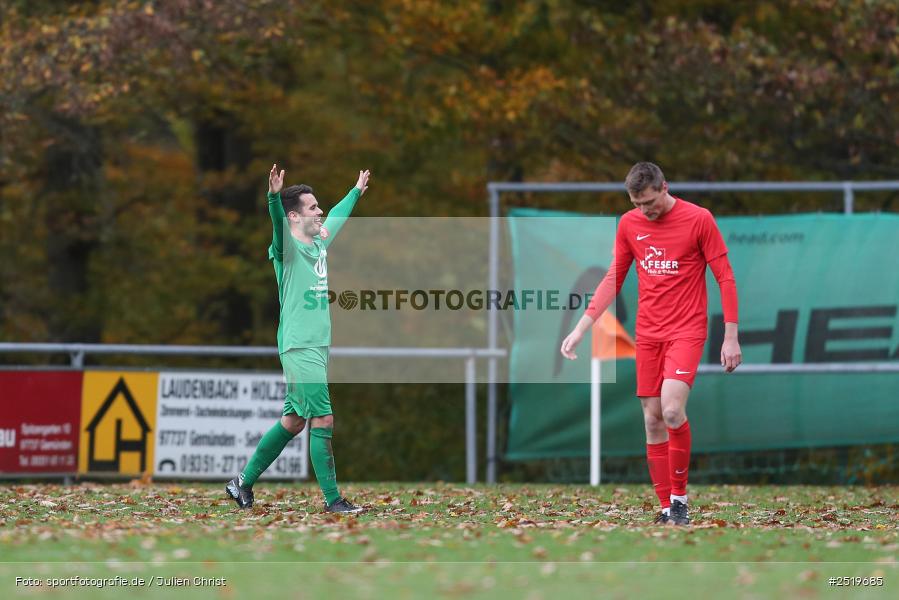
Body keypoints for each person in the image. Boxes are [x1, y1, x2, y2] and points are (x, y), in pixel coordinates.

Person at [560, 162, 742, 526]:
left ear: (664, 187)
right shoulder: (630, 225)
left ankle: (680, 501)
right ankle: (664, 508)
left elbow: (725, 277)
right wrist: (582, 327)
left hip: (686, 330)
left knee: (673, 410)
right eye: (637, 204)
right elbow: (613, 278)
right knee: (652, 418)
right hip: (649, 333)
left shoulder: (699, 219)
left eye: (649, 202)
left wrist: (731, 335)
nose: (645, 210)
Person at [226, 163, 370, 514]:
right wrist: (273, 196)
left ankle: (241, 483)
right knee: (323, 419)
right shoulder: (287, 247)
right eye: (312, 207)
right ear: (294, 216)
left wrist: (355, 191)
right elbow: (276, 224)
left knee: (293, 421)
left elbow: (336, 215)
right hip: (299, 345)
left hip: (316, 346)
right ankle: (333, 500)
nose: (320, 211)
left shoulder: (319, 242)